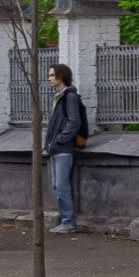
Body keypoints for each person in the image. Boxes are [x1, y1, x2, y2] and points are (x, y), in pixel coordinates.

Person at [45, 63, 83, 234]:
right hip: (55, 148)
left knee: (61, 186)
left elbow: (74, 121)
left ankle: (68, 221)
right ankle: (64, 220)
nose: (49, 78)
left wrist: (60, 139)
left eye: (52, 75)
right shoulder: (58, 97)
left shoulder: (70, 97)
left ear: (61, 76)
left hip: (64, 148)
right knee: (56, 186)